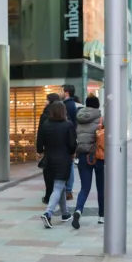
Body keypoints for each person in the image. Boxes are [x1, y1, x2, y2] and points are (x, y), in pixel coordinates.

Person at [37, 101, 75, 228]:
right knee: (58, 187)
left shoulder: (45, 125)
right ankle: (48, 213)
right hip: (63, 159)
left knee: (60, 187)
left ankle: (65, 213)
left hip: (48, 160)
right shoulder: (68, 125)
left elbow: (39, 146)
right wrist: (71, 153)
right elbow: (72, 146)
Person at [73, 96, 105, 229]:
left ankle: (78, 210)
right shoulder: (101, 118)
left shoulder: (80, 118)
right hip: (98, 157)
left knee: (85, 188)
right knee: (101, 187)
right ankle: (101, 216)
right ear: (97, 105)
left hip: (82, 156)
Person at [37, 92, 62, 203]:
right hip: (62, 150)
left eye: (46, 99)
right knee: (59, 176)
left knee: (48, 173)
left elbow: (40, 133)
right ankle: (57, 196)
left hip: (49, 149)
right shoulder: (63, 113)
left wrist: (39, 149)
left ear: (50, 101)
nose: (45, 101)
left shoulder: (45, 115)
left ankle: (49, 196)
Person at [61, 85, 79, 200]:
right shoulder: (73, 105)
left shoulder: (67, 106)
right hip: (71, 138)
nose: (59, 93)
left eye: (61, 90)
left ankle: (68, 190)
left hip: (67, 139)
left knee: (69, 164)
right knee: (69, 164)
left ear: (66, 92)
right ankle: (68, 189)